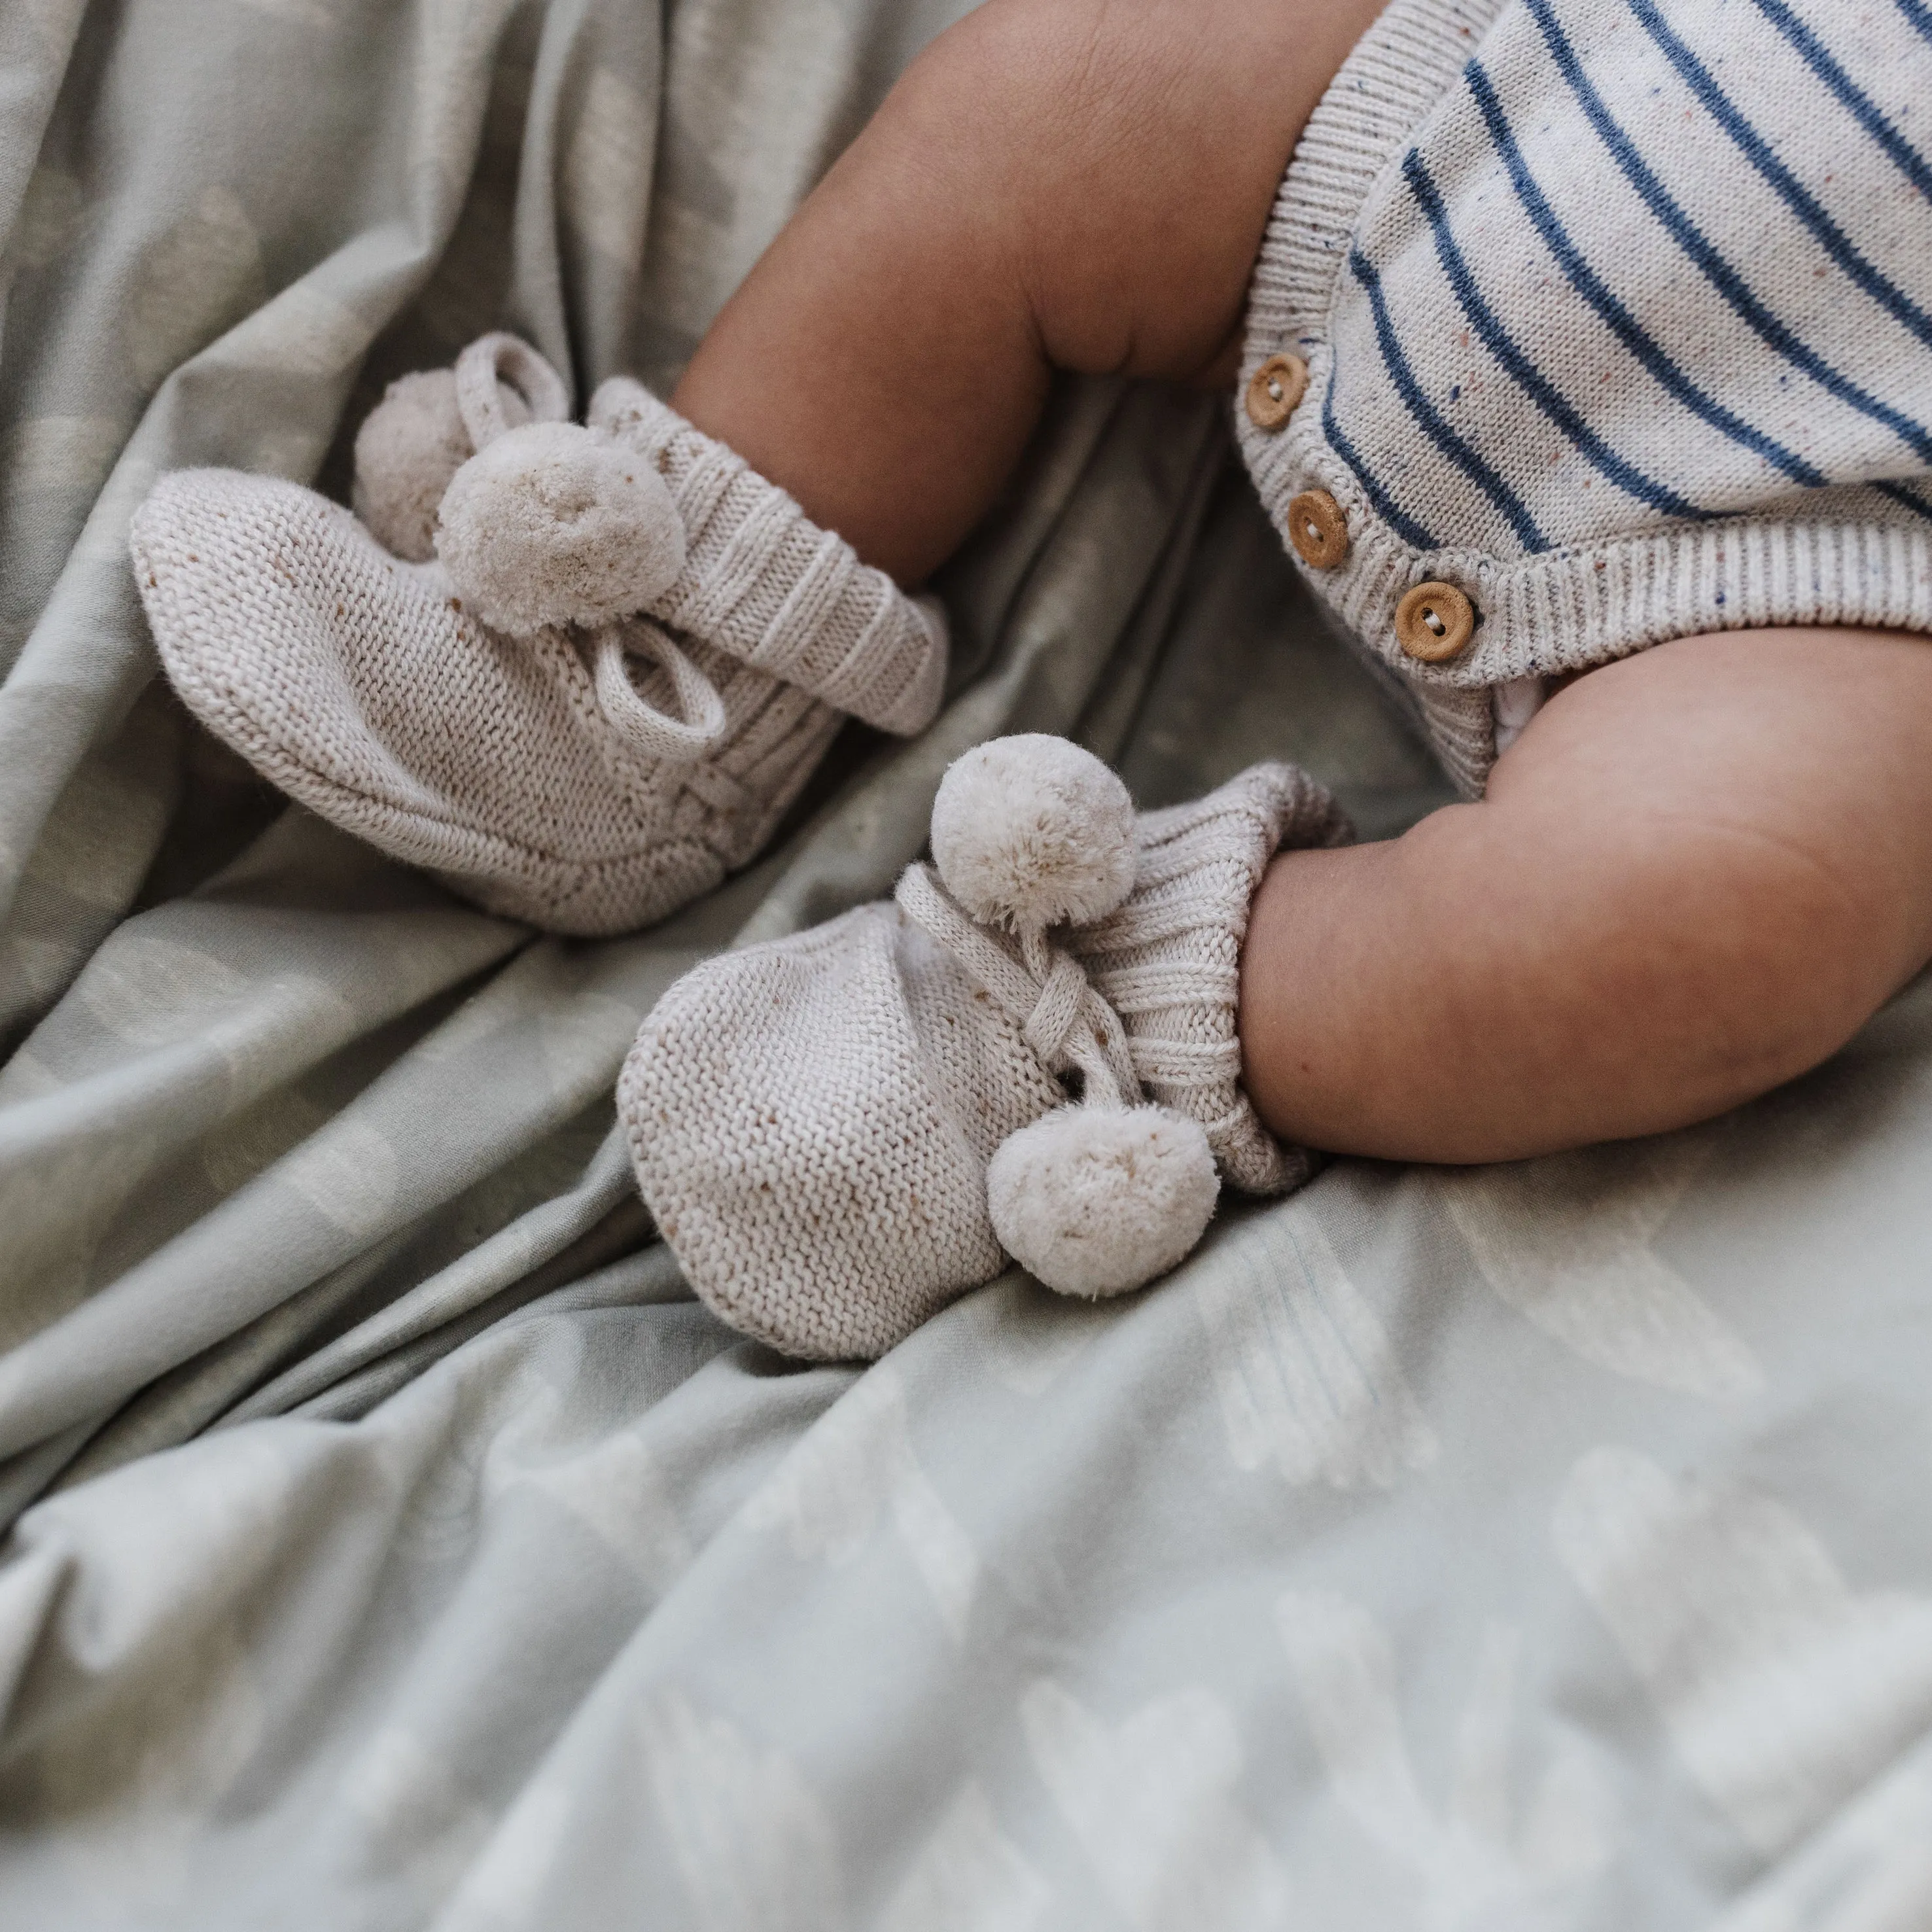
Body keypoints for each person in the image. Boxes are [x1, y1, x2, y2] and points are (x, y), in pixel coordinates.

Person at [141, 0, 1932, 1361]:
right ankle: (650, 666)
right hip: (1465, 94)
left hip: (1794, 573)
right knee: (1068, 89)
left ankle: (1077, 1034)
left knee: (1732, 914)